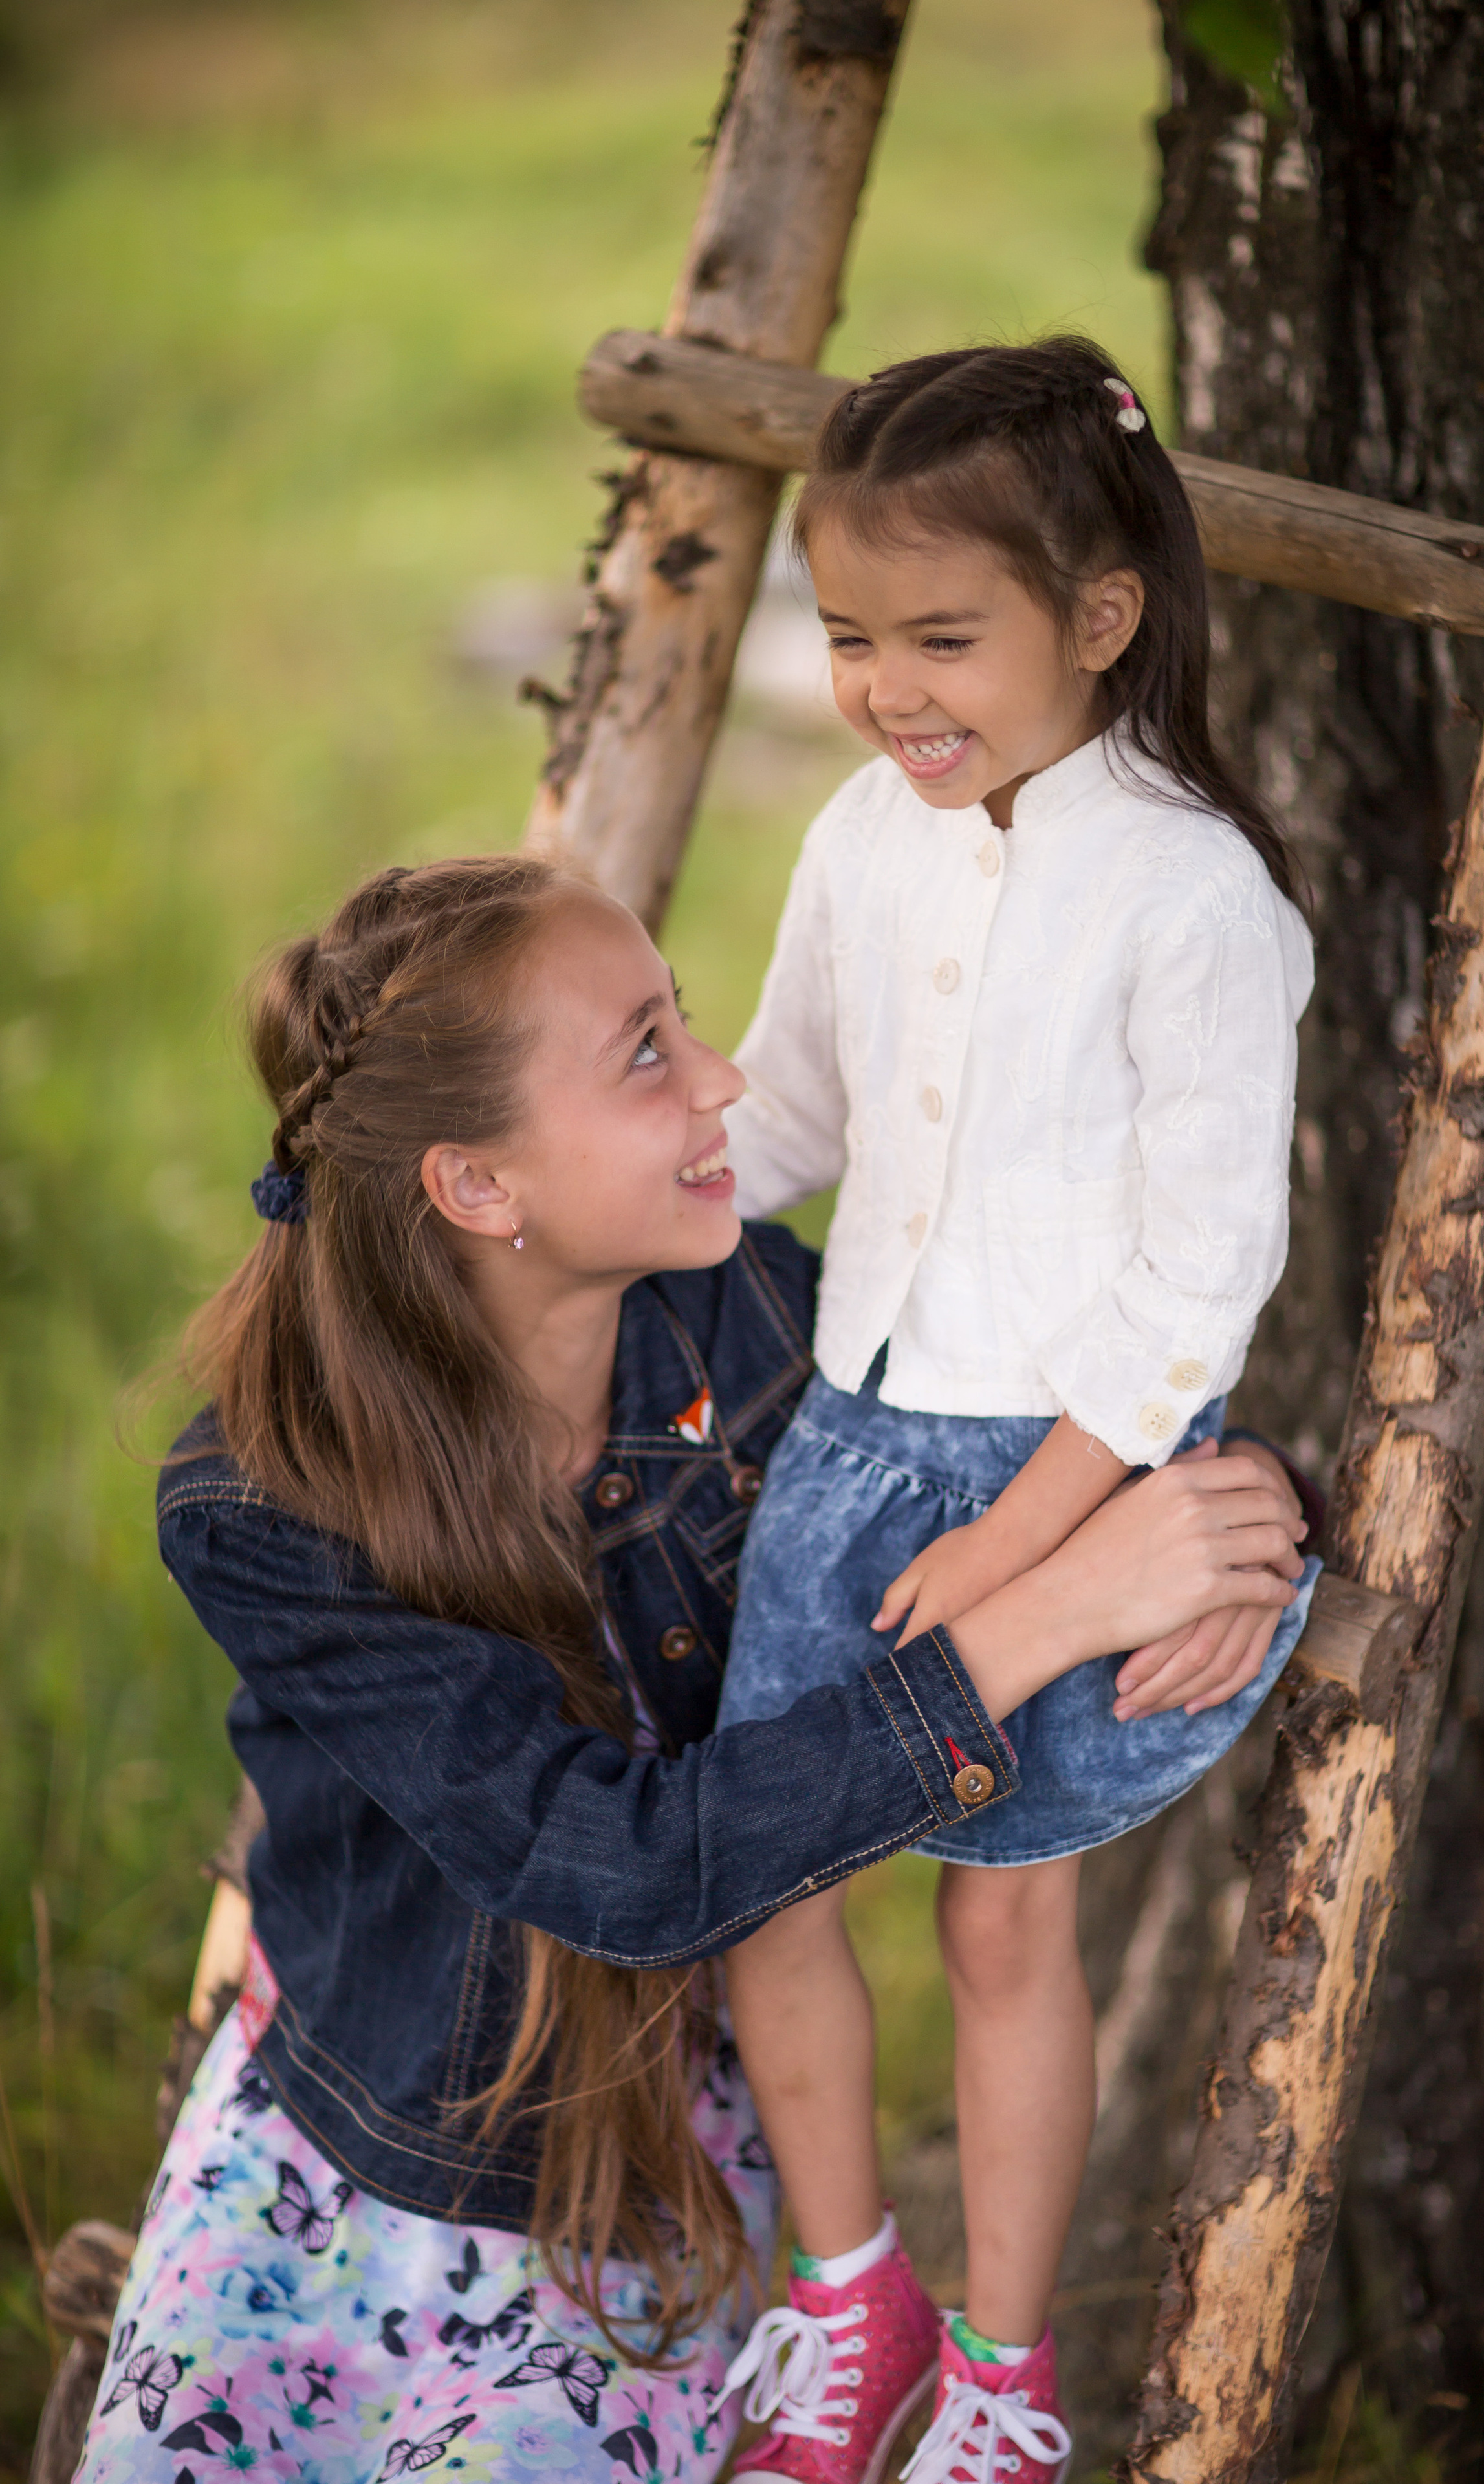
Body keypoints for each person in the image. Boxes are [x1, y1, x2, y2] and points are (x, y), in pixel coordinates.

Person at [79, 855, 1311, 2484]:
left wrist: (1229, 1502)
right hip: (359, 2152)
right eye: (647, 1050)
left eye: (682, 1020)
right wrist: (1054, 1611)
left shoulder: (746, 1326)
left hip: (643, 2178)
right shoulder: (260, 1506)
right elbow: (620, 1861)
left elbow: (1001, 1429)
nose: (724, 1074)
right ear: (474, 1188)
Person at [714, 336, 1320, 2484]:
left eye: (941, 637)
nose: (887, 686)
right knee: (769, 1880)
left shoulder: (1192, 902)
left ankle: (997, 2376)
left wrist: (1036, 1534)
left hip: (1071, 1463)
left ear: (1100, 618)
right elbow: (785, 1108)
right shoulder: (864, 841)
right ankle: (848, 2297)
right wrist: (598, 1153)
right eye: (854, 635)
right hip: (854, 1447)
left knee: (998, 1909)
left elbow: (1196, 1278)